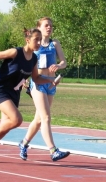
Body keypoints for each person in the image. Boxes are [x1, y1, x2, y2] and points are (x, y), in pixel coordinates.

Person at [0, 28, 55, 163]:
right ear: (27, 40)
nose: (38, 42)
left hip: (14, 93)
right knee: (17, 119)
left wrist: (50, 80)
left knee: (5, 126)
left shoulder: (34, 59)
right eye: (36, 39)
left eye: (40, 40)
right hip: (1, 89)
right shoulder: (15, 52)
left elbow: (36, 78)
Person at [19, 17, 70, 162]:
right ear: (39, 28)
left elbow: (64, 62)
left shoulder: (55, 43)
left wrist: (59, 66)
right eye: (46, 25)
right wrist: (23, 79)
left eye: (51, 26)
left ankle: (23, 143)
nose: (49, 28)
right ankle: (53, 150)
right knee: (46, 117)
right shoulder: (35, 44)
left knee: (38, 119)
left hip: (51, 84)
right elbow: (26, 62)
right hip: (38, 83)